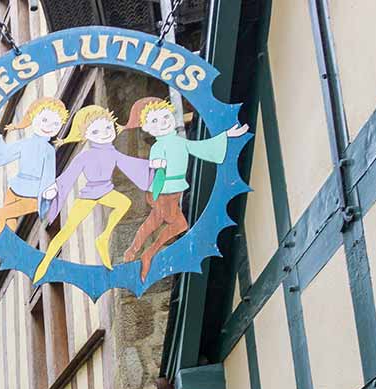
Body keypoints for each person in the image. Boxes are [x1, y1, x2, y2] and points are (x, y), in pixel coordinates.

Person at [121, 97, 249, 281]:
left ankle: (144, 252)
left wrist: (227, 135)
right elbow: (155, 167)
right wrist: (155, 182)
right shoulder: (158, 146)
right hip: (163, 190)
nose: (163, 122)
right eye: (155, 121)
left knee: (171, 223)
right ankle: (141, 251)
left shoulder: (179, 142)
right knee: (162, 222)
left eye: (165, 116)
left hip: (174, 190)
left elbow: (203, 148)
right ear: (147, 128)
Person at [32, 104, 153, 279]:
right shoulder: (85, 156)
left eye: (107, 127)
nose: (104, 133)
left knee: (124, 203)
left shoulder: (112, 152)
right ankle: (45, 263)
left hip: (106, 191)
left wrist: (151, 167)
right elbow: (68, 176)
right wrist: (53, 189)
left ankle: (103, 238)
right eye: (95, 132)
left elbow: (130, 163)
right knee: (67, 230)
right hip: (89, 196)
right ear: (85, 135)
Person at [0, 97, 71, 269]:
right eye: (45, 120)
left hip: (32, 196)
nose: (48, 126)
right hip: (15, 189)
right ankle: (13, 255)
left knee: (1, 214)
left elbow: (48, 176)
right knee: (9, 227)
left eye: (55, 124)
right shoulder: (25, 144)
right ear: (33, 117)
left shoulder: (48, 150)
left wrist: (47, 193)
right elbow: (3, 155)